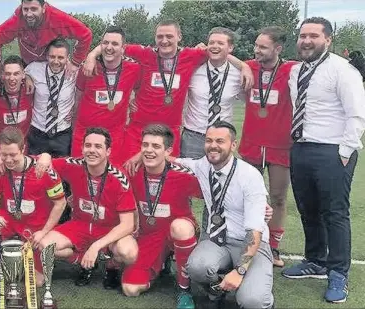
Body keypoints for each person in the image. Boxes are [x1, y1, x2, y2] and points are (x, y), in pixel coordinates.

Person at [282, 17, 365, 304]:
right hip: (302, 147)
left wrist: (344, 152)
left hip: (332, 151)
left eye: (313, 36)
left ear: (328, 39)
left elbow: (356, 113)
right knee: (308, 209)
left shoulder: (343, 70)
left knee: (335, 214)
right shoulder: (296, 71)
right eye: (302, 35)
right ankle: (316, 261)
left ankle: (338, 273)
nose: (306, 41)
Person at [84, 19, 253, 160]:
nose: (164, 40)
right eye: (160, 36)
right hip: (139, 129)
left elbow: (218, 52)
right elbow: (113, 46)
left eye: (169, 36)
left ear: (179, 36)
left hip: (169, 132)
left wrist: (243, 65)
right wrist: (92, 55)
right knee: (131, 173)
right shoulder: (145, 53)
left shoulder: (191, 55)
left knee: (169, 178)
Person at [173, 121, 273, 309]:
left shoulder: (250, 176)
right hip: (219, 240)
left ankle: (256, 292)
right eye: (209, 140)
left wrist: (240, 271)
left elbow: (255, 232)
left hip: (252, 244)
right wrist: (144, 155)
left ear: (233, 145)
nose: (213, 145)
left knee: (252, 301)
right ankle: (215, 292)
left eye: (220, 141)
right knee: (196, 267)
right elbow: (174, 162)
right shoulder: (203, 165)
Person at [0, 127, 67, 300]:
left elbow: (60, 203)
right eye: (4, 154)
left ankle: (14, 266)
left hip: (34, 229)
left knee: (38, 282)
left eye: (13, 155)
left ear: (23, 150)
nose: (8, 160)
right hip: (9, 223)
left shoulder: (43, 170)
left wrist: (44, 231)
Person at [37, 127, 138, 288]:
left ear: (108, 151)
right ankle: (83, 261)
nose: (92, 150)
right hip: (80, 225)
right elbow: (38, 162)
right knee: (44, 245)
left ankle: (112, 266)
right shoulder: (74, 165)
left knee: (129, 252)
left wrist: (96, 246)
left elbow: (127, 224)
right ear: (82, 148)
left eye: (98, 147)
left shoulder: (119, 178)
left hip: (108, 228)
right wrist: (45, 155)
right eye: (88, 145)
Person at [120, 124, 201, 309]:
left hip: (179, 231)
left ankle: (185, 290)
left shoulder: (183, 175)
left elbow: (214, 194)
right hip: (150, 236)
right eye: (145, 145)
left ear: (168, 151)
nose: (149, 151)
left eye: (156, 146)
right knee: (130, 289)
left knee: (180, 227)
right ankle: (161, 264)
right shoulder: (132, 172)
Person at [240, 26, 299, 267]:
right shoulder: (250, 66)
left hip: (280, 144)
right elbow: (228, 57)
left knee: (277, 197)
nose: (257, 51)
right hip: (251, 142)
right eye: (256, 45)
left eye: (263, 47)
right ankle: (245, 241)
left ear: (278, 48)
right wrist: (243, 65)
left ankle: (273, 247)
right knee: (246, 196)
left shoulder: (291, 69)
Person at [72, 26, 141, 166]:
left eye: (115, 44)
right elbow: (77, 99)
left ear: (123, 48)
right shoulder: (88, 67)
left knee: (110, 179)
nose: (109, 47)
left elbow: (141, 87)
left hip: (114, 136)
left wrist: (135, 100)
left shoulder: (134, 68)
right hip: (84, 134)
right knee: (80, 178)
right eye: (105, 43)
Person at [180, 27, 244, 159]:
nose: (215, 46)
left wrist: (245, 67)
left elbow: (249, 101)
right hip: (193, 137)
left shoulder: (239, 75)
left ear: (230, 47)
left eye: (220, 43)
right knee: (190, 178)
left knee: (219, 178)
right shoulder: (193, 69)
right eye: (212, 43)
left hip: (222, 137)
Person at [0, 0, 92, 72]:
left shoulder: (58, 18)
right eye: (25, 9)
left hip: (55, 65)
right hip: (30, 67)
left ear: (44, 7)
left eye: (34, 9)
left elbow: (86, 35)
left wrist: (75, 62)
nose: (29, 14)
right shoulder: (17, 20)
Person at [25, 38, 77, 157]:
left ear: (67, 58)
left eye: (61, 58)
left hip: (62, 133)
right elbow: (20, 72)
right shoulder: (34, 68)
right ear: (47, 56)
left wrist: (75, 108)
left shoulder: (75, 72)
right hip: (37, 132)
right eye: (52, 57)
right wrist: (27, 77)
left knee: (61, 173)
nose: (56, 61)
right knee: (35, 173)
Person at [0, 55, 34, 161]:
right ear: (2, 75)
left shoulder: (29, 90)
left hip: (23, 149)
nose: (12, 78)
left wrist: (29, 77)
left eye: (16, 74)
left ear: (23, 75)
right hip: (0, 151)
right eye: (8, 74)